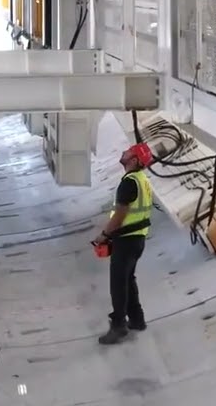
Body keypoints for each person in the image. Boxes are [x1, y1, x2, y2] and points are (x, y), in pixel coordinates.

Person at [92, 142, 154, 345]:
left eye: (129, 152)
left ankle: (118, 326)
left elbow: (120, 214)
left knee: (118, 283)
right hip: (138, 239)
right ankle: (137, 319)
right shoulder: (142, 179)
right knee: (128, 279)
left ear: (134, 160)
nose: (124, 152)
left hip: (126, 240)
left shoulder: (128, 182)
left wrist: (104, 234)